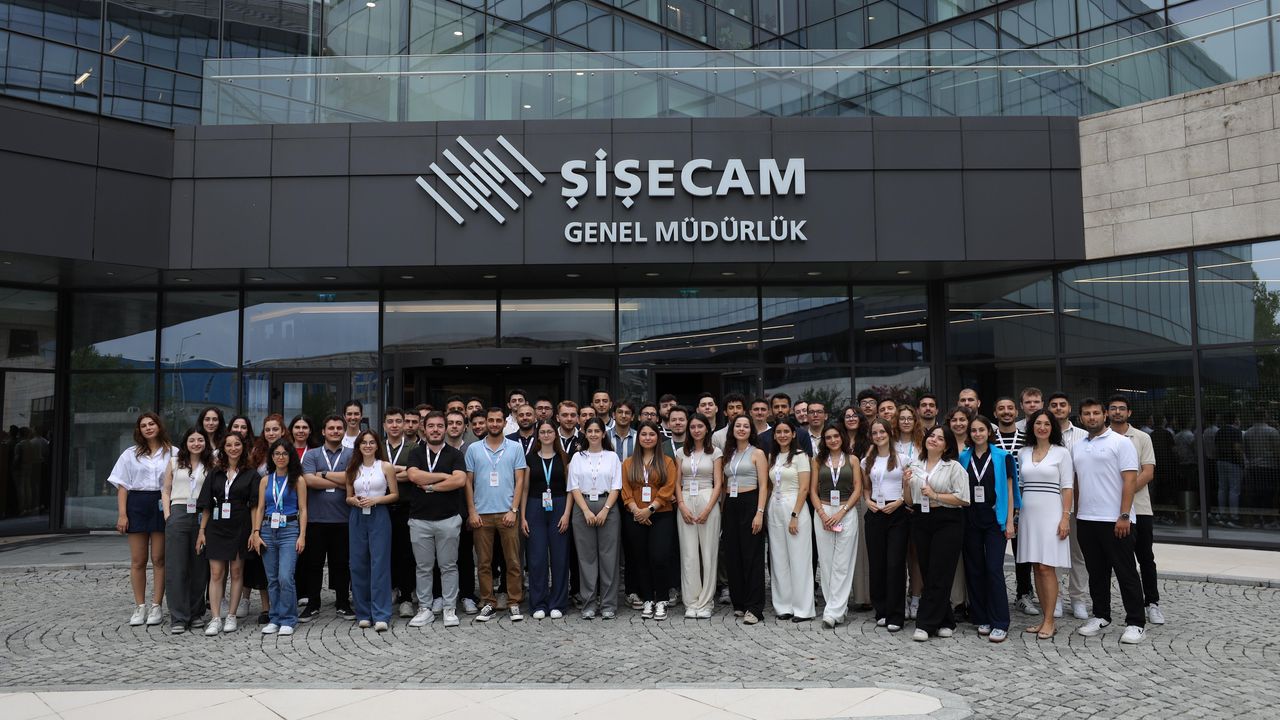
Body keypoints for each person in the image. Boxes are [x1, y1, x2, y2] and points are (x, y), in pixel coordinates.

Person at [1072, 398, 1146, 644]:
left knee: (1126, 572)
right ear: (1080, 418)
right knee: (1096, 572)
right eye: (1086, 414)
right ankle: (1101, 615)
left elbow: (1130, 480)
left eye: (1096, 413)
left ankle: (1136, 622)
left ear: (1104, 415)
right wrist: (1077, 513)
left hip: (1116, 520)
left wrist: (1124, 515)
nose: (1091, 417)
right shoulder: (1078, 446)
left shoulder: (1121, 442)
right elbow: (1078, 482)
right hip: (1086, 519)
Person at [404, 411, 467, 628]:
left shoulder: (455, 454)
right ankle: (425, 608)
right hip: (419, 519)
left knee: (448, 566)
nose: (436, 430)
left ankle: (449, 608)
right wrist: (443, 476)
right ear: (424, 428)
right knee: (423, 567)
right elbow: (413, 475)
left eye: (440, 426)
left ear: (445, 428)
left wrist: (430, 487)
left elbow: (459, 480)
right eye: (431, 426)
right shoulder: (416, 452)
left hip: (448, 519)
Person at [109, 412, 172, 627]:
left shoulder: (172, 452)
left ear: (159, 426)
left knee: (159, 558)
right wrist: (122, 514)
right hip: (136, 504)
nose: (148, 428)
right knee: (138, 560)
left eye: (151, 424)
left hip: (162, 503)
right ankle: (140, 606)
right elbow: (122, 486)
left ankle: (156, 606)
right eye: (144, 425)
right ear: (139, 430)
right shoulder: (130, 454)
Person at [466, 407, 528, 622]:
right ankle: (488, 602)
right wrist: (472, 511)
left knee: (513, 561)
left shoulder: (515, 447)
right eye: (490, 420)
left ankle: (513, 602)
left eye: (498, 420)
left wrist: (514, 510)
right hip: (481, 514)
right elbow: (468, 482)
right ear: (486, 423)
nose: (494, 424)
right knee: (484, 562)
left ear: (504, 423)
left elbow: (520, 480)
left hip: (507, 513)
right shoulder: (473, 449)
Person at [908, 425, 969, 642]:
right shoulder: (915, 465)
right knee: (927, 570)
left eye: (940, 438)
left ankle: (925, 624)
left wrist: (935, 495)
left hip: (947, 519)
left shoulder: (953, 467)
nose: (934, 439)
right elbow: (909, 500)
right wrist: (906, 483)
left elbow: (963, 499)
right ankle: (945, 620)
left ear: (946, 446)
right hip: (921, 518)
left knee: (939, 571)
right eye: (932, 435)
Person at [1106, 395, 1164, 625]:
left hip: (1140, 508)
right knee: (1117, 561)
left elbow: (1148, 472)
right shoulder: (1102, 438)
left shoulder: (1141, 437)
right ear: (1107, 412)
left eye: (1122, 408)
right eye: (1113, 408)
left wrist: (1124, 494)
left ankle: (1152, 603)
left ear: (1129, 412)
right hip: (1110, 511)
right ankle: (1110, 608)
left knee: (1145, 557)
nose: (1117, 412)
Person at [1017, 409, 1073, 640]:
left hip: (1052, 513)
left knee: (1046, 568)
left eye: (1046, 424)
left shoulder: (1062, 453)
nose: (1042, 427)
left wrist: (1065, 517)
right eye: (1038, 423)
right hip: (1029, 515)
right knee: (1036, 568)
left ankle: (1050, 620)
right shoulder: (1023, 452)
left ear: (1053, 428)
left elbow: (1067, 487)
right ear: (1032, 427)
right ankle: (1044, 619)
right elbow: (1021, 486)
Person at [959, 415, 1017, 642]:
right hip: (971, 518)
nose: (977, 434)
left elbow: (1010, 490)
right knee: (974, 569)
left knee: (993, 569)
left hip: (995, 519)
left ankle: (1000, 621)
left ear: (989, 432)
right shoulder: (964, 457)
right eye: (973, 431)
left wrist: (1010, 521)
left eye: (981, 430)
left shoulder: (1003, 457)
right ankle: (981, 616)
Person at [196, 431, 258, 636]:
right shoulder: (215, 473)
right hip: (216, 526)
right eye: (229, 445)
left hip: (241, 525)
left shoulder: (251, 474)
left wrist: (254, 531)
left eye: (237, 444)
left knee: (237, 572)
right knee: (216, 573)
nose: (233, 448)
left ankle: (231, 615)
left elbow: (255, 506)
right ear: (223, 448)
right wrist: (202, 531)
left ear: (243, 446)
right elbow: (206, 505)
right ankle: (215, 618)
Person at [618, 421, 677, 619]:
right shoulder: (628, 463)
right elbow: (625, 489)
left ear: (658, 438)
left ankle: (662, 600)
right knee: (640, 558)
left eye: (652, 434)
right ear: (638, 438)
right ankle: (648, 599)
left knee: (659, 557)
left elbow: (668, 488)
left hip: (661, 515)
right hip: (635, 516)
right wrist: (637, 511)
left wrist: (650, 510)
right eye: (644, 434)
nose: (648, 438)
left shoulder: (667, 461)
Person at [299, 415, 355, 622]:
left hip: (343, 519)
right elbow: (308, 480)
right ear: (323, 432)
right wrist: (340, 482)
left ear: (343, 431)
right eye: (331, 428)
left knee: (341, 564)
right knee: (313, 565)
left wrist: (322, 474)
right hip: (316, 519)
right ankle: (313, 604)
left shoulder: (352, 453)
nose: (335, 431)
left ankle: (343, 603)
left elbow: (352, 478)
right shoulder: (312, 454)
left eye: (339, 428)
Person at [250, 438, 308, 635]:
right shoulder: (266, 480)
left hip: (290, 529)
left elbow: (303, 509)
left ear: (290, 456)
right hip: (267, 529)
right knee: (272, 578)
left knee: (285, 577)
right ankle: (275, 618)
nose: (280, 457)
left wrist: (302, 535)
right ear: (272, 457)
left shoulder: (298, 480)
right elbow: (260, 508)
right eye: (277, 454)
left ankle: (288, 619)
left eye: (284, 453)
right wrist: (256, 532)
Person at [568, 417, 622, 619]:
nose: (593, 434)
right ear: (585, 433)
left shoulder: (612, 457)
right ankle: (589, 603)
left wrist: (606, 509)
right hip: (583, 507)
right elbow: (573, 486)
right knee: (586, 558)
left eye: (597, 431)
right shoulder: (577, 457)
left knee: (609, 557)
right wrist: (586, 511)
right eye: (589, 431)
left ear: (603, 433)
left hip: (608, 505)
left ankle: (608, 604)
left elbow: (616, 486)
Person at [344, 429, 399, 631]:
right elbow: (348, 497)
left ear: (377, 445)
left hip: (379, 514)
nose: (367, 446)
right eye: (364, 442)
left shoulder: (385, 466)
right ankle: (363, 612)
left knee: (380, 564)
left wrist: (376, 500)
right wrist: (354, 501)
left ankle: (381, 613)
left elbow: (394, 494)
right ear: (358, 446)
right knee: (358, 564)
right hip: (357, 516)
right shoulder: (352, 468)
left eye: (371, 442)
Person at [811, 422, 862, 629]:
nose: (833, 440)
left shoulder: (852, 459)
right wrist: (822, 514)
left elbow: (858, 489)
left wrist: (842, 512)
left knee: (843, 562)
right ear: (824, 441)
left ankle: (833, 611)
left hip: (846, 512)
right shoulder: (817, 460)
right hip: (823, 511)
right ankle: (836, 606)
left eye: (836, 436)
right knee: (827, 562)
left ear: (842, 437)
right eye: (828, 437)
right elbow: (812, 490)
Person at [719, 416, 769, 624]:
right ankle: (739, 602)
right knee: (733, 555)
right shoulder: (728, 454)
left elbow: (764, 486)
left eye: (745, 426)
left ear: (751, 430)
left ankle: (754, 607)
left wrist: (759, 512)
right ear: (732, 429)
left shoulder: (757, 453)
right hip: (731, 505)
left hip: (750, 503)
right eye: (737, 426)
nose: (741, 429)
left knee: (752, 557)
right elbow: (724, 484)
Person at [161, 427, 211, 633]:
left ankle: (196, 612)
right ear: (186, 443)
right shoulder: (174, 462)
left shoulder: (211, 464)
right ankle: (179, 616)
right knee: (176, 566)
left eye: (200, 440)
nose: (196, 443)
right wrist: (168, 515)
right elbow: (166, 489)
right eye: (192, 440)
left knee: (199, 566)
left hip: (201, 513)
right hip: (179, 511)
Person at [522, 420, 573, 620]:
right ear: (538, 435)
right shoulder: (530, 458)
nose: (546, 435)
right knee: (537, 558)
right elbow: (525, 489)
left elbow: (571, 488)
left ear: (555, 434)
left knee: (560, 557)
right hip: (535, 507)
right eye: (542, 432)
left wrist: (567, 514)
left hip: (559, 506)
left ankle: (558, 603)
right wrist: (522, 517)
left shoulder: (564, 457)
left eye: (549, 431)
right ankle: (538, 603)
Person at [862, 418, 909, 632]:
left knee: (895, 564)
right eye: (875, 433)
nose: (879, 436)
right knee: (877, 564)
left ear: (889, 433)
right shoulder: (867, 461)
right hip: (876, 512)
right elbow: (866, 487)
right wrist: (868, 501)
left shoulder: (903, 459)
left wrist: (900, 501)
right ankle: (881, 610)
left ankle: (896, 614)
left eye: (882, 432)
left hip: (897, 512)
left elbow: (908, 486)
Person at [674, 413, 722, 619]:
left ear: (706, 429)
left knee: (709, 553)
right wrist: (681, 505)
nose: (696, 430)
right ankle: (691, 601)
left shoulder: (715, 452)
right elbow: (677, 482)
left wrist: (708, 508)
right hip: (686, 499)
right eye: (693, 427)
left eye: (700, 426)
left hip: (707, 498)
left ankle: (706, 602)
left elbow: (718, 483)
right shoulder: (681, 452)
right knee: (689, 555)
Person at [766, 418, 815, 622]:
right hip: (775, 507)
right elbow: (770, 485)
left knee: (799, 559)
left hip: (795, 507)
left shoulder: (800, 456)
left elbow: (804, 488)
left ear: (794, 434)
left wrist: (795, 515)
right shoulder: (773, 456)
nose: (782, 435)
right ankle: (783, 606)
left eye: (786, 431)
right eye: (779, 432)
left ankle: (803, 608)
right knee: (779, 559)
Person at [992, 396, 1036, 616]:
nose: (1006, 412)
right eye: (1001, 408)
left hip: (1023, 499)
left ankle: (1023, 594)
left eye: (1010, 408)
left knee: (1022, 551)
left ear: (1016, 412)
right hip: (996, 500)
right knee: (994, 551)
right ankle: (993, 593)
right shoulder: (989, 438)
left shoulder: (1027, 439)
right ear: (995, 413)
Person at [1048, 392, 1089, 619]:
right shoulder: (1044, 433)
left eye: (1062, 405)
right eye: (1054, 405)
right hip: (1051, 503)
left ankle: (1078, 599)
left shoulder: (1083, 436)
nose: (1058, 408)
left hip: (1078, 503)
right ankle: (1055, 598)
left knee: (1078, 553)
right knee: (1053, 554)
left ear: (1069, 408)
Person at [380, 408, 418, 620]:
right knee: (386, 551)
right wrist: (401, 471)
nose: (394, 425)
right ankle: (391, 588)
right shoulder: (378, 447)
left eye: (398, 421)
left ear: (404, 424)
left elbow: (414, 474)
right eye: (390, 421)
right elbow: (372, 472)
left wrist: (387, 472)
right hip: (382, 507)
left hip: (406, 507)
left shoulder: (414, 448)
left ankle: (406, 598)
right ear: (384, 425)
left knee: (406, 553)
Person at [247, 414, 286, 624]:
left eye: (275, 429)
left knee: (284, 566)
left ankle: (284, 605)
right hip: (262, 511)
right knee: (264, 562)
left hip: (285, 513)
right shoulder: (257, 453)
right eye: (268, 429)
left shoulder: (286, 452)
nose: (271, 433)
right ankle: (266, 607)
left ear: (282, 431)